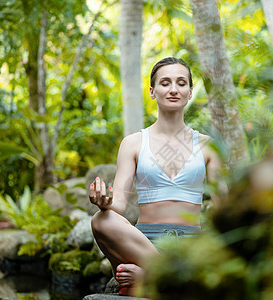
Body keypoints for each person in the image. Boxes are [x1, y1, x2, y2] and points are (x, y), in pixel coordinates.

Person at [89, 57, 222, 295]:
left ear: (190, 92)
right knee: (101, 220)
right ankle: (167, 274)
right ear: (152, 91)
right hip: (144, 243)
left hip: (190, 245)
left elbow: (225, 208)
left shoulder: (208, 146)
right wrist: (104, 202)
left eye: (181, 83)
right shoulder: (133, 143)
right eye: (165, 83)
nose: (173, 89)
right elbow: (118, 204)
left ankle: (150, 276)